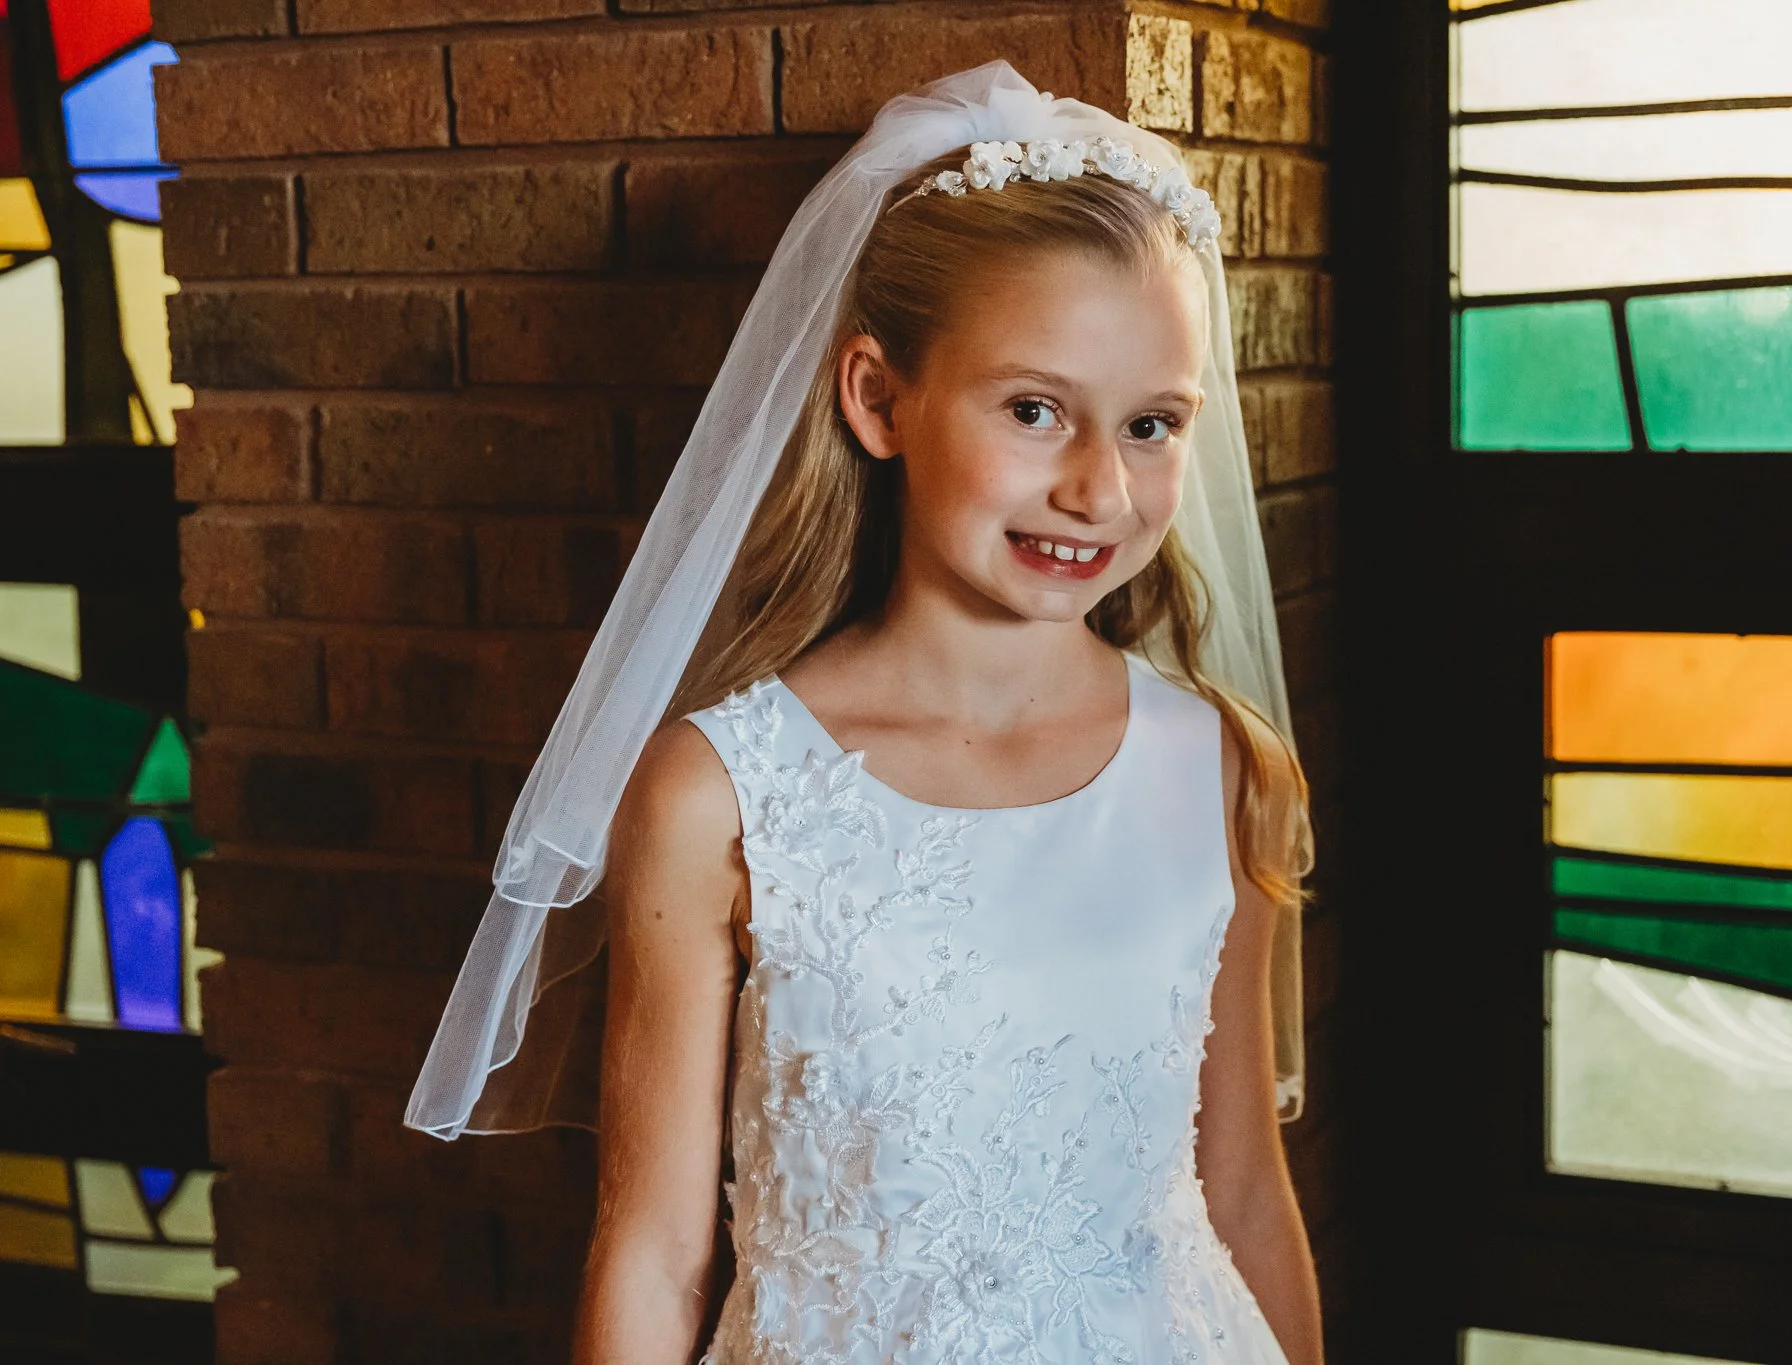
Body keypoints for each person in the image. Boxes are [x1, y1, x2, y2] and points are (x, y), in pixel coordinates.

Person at [405, 62, 1321, 1364]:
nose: (1096, 489)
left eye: (1152, 425)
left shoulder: (1218, 764)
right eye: (1033, 409)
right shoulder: (721, 791)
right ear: (879, 398)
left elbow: (1240, 1194)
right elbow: (655, 1252)